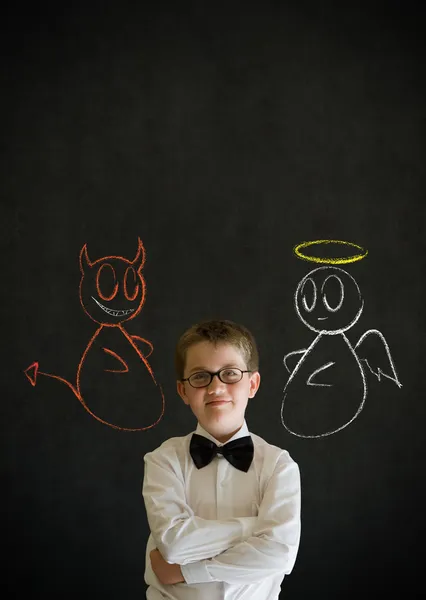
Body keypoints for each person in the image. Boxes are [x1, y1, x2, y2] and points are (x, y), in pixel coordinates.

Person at [142, 319, 301, 599]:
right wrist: (253, 527)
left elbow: (278, 555)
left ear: (252, 384)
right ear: (183, 391)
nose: (216, 388)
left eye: (230, 373)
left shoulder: (279, 466)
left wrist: (186, 572)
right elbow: (174, 545)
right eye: (201, 376)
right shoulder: (162, 461)